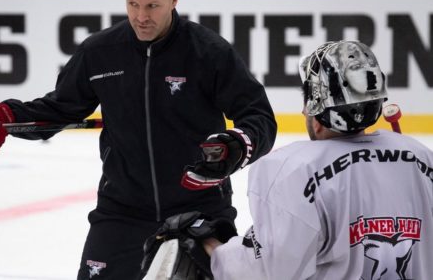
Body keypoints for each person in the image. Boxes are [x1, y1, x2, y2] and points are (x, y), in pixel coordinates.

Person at [0, 0, 277, 279]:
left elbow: (259, 117)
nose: (141, 17)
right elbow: (58, 109)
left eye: (152, 6)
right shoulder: (100, 53)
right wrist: (3, 117)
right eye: (133, 4)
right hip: (122, 210)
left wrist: (236, 146)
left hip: (199, 209)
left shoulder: (208, 53)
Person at [146, 40, 433, 279]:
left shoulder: (295, 169)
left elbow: (269, 271)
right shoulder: (421, 158)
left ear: (316, 110)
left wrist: (208, 246)